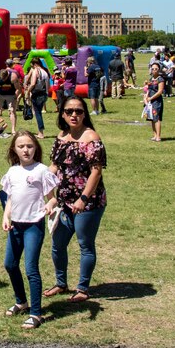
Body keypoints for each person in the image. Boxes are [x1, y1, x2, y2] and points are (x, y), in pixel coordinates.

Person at [45, 96, 107, 307]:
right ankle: (61, 283)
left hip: (88, 203)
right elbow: (53, 167)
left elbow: (96, 173)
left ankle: (82, 288)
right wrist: (43, 187)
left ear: (85, 114)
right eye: (69, 111)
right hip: (64, 201)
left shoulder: (91, 137)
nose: (74, 115)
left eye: (79, 111)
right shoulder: (62, 136)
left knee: (85, 244)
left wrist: (83, 199)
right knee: (58, 244)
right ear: (62, 114)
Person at [1, 131, 58, 330]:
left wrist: (50, 205)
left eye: (30, 146)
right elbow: (9, 198)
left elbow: (52, 197)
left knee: (31, 268)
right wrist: (5, 216)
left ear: (36, 148)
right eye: (21, 146)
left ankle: (36, 313)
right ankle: (21, 302)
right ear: (14, 150)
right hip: (16, 225)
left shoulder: (42, 171)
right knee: (9, 264)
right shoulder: (12, 172)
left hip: (34, 225)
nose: (26, 150)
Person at [24, 58, 52, 136]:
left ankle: (41, 132)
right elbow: (48, 86)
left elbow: (33, 84)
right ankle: (41, 131)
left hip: (37, 94)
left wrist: (28, 92)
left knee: (38, 113)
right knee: (39, 112)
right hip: (44, 94)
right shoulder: (45, 71)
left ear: (34, 64)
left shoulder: (36, 71)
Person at [143, 63, 166, 142]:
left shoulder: (160, 79)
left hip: (157, 101)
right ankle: (154, 135)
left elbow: (160, 92)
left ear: (158, 70)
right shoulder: (151, 79)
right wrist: (146, 97)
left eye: (156, 69)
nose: (154, 70)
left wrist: (151, 98)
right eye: (152, 69)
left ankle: (158, 136)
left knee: (157, 118)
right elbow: (148, 90)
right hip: (150, 101)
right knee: (151, 118)